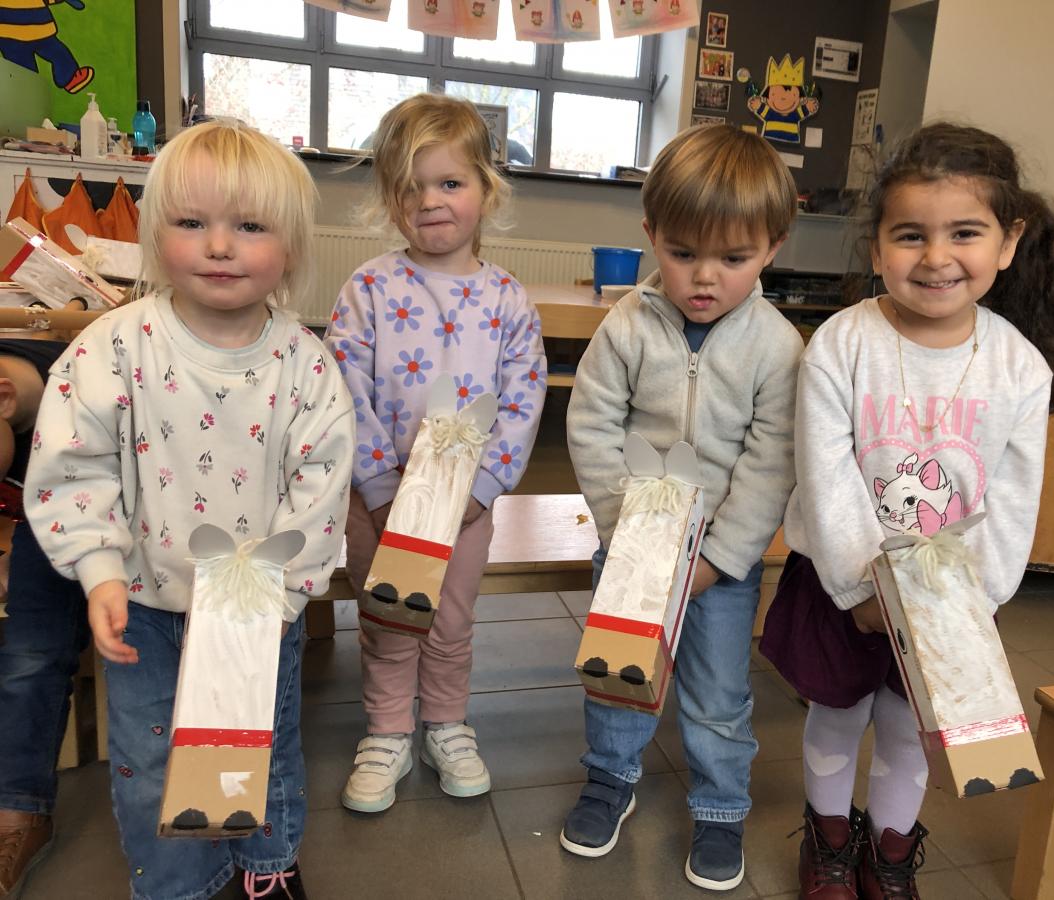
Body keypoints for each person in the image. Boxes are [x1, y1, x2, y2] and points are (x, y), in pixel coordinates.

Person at [22, 119, 355, 900]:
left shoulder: (305, 366)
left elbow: (321, 483)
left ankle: (267, 866)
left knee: (259, 742)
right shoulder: (112, 346)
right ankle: (178, 885)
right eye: (192, 222)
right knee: (149, 759)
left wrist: (283, 596)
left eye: (250, 227)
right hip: (142, 601)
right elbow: (73, 461)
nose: (220, 246)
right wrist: (99, 570)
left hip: (255, 605)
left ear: (291, 248)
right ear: (154, 234)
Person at [759, 122, 1054, 899]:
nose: (937, 257)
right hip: (843, 588)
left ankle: (890, 855)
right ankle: (830, 846)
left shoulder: (1019, 369)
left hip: (948, 602)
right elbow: (826, 476)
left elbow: (1013, 500)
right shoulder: (842, 344)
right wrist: (862, 591)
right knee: (836, 715)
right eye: (911, 235)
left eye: (964, 233)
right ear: (877, 247)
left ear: (1008, 242)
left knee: (911, 728)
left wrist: (969, 605)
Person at [561, 124, 804, 892]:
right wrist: (623, 535)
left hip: (721, 568)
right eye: (682, 252)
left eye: (733, 258)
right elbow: (592, 426)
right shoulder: (627, 325)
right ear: (650, 235)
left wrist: (719, 559)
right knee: (617, 674)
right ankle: (610, 778)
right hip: (633, 548)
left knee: (717, 693)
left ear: (772, 247)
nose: (704, 277)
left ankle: (721, 806)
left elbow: (770, 463)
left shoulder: (777, 346)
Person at [325, 93, 545, 813]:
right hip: (379, 501)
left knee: (450, 620)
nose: (429, 201)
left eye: (450, 182)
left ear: (487, 189)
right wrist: (378, 486)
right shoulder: (368, 288)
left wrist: (483, 487)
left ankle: (445, 724)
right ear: (390, 198)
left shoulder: (508, 300)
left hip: (465, 507)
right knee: (390, 618)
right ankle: (388, 731)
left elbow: (523, 399)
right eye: (410, 186)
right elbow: (343, 387)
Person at [0, 337, 91, 899]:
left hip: (151, 509)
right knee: (31, 651)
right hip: (42, 524)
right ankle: (18, 812)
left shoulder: (90, 374)